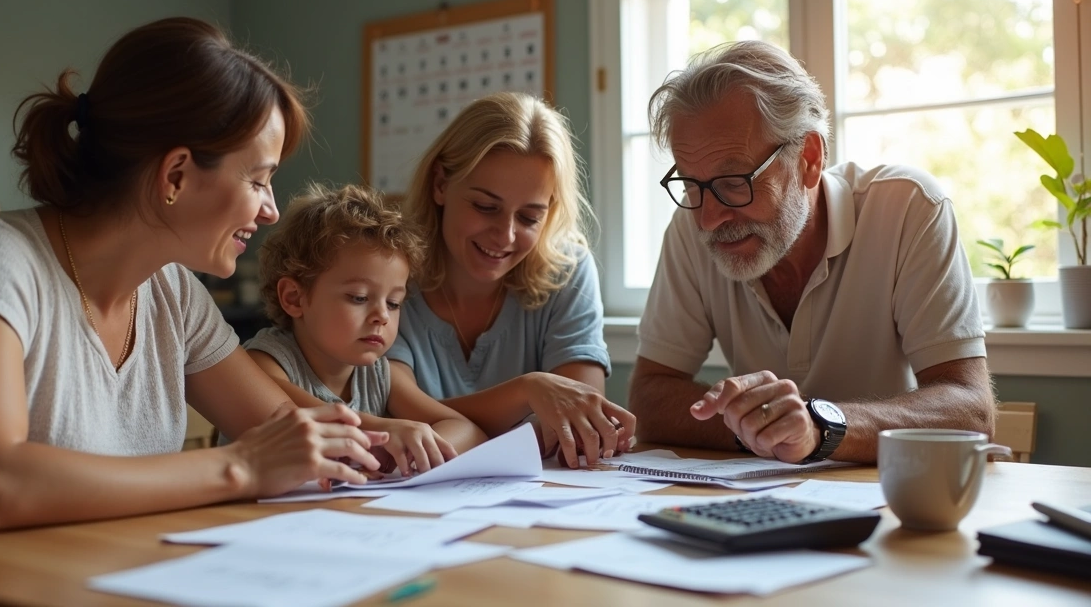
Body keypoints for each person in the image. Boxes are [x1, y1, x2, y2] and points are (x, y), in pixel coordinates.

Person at [0, 17, 385, 535]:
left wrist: (394, 440)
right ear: (176, 175)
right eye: (257, 179)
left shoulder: (173, 293)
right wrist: (242, 467)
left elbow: (285, 431)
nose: (272, 210)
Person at [630, 40, 994, 464]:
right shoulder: (688, 230)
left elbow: (972, 409)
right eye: (691, 185)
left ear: (809, 158)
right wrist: (763, 427)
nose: (709, 218)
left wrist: (820, 425)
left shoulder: (909, 209)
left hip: (885, 500)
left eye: (733, 182)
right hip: (758, 503)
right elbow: (650, 394)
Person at [387, 91, 636, 468]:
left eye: (529, 218)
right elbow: (397, 414)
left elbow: (576, 426)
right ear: (440, 183)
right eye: (486, 207)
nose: (504, 236)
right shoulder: (387, 271)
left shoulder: (567, 269)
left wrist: (449, 426)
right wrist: (528, 391)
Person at [244, 183, 488, 476]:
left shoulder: (377, 374)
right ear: (294, 298)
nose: (382, 316)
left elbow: (467, 430)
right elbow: (302, 419)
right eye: (359, 298)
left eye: (395, 303)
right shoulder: (264, 363)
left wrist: (420, 450)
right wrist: (385, 430)